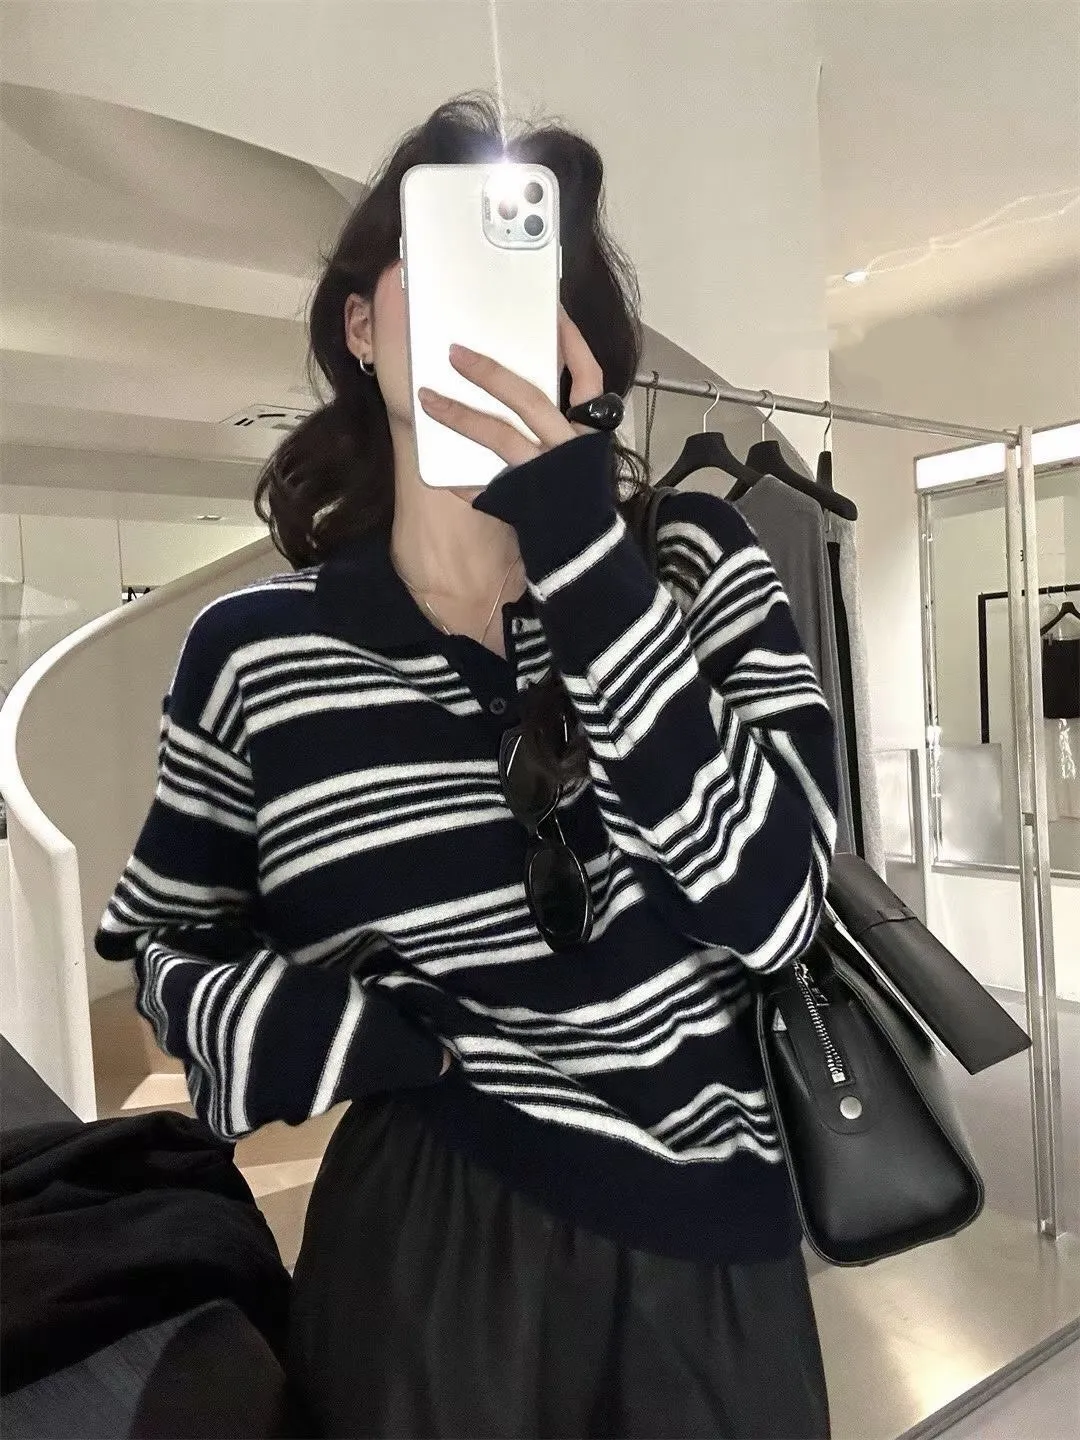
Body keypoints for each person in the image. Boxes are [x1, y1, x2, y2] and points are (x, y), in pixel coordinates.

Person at [96, 96, 838, 1440]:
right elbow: (167, 945)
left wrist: (580, 552)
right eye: (434, 260)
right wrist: (337, 1037)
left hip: (711, 1265)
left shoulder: (691, 569)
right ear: (358, 326)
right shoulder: (254, 652)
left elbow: (779, 910)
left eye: (523, 270)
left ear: (574, 342)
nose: (478, 301)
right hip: (422, 1258)